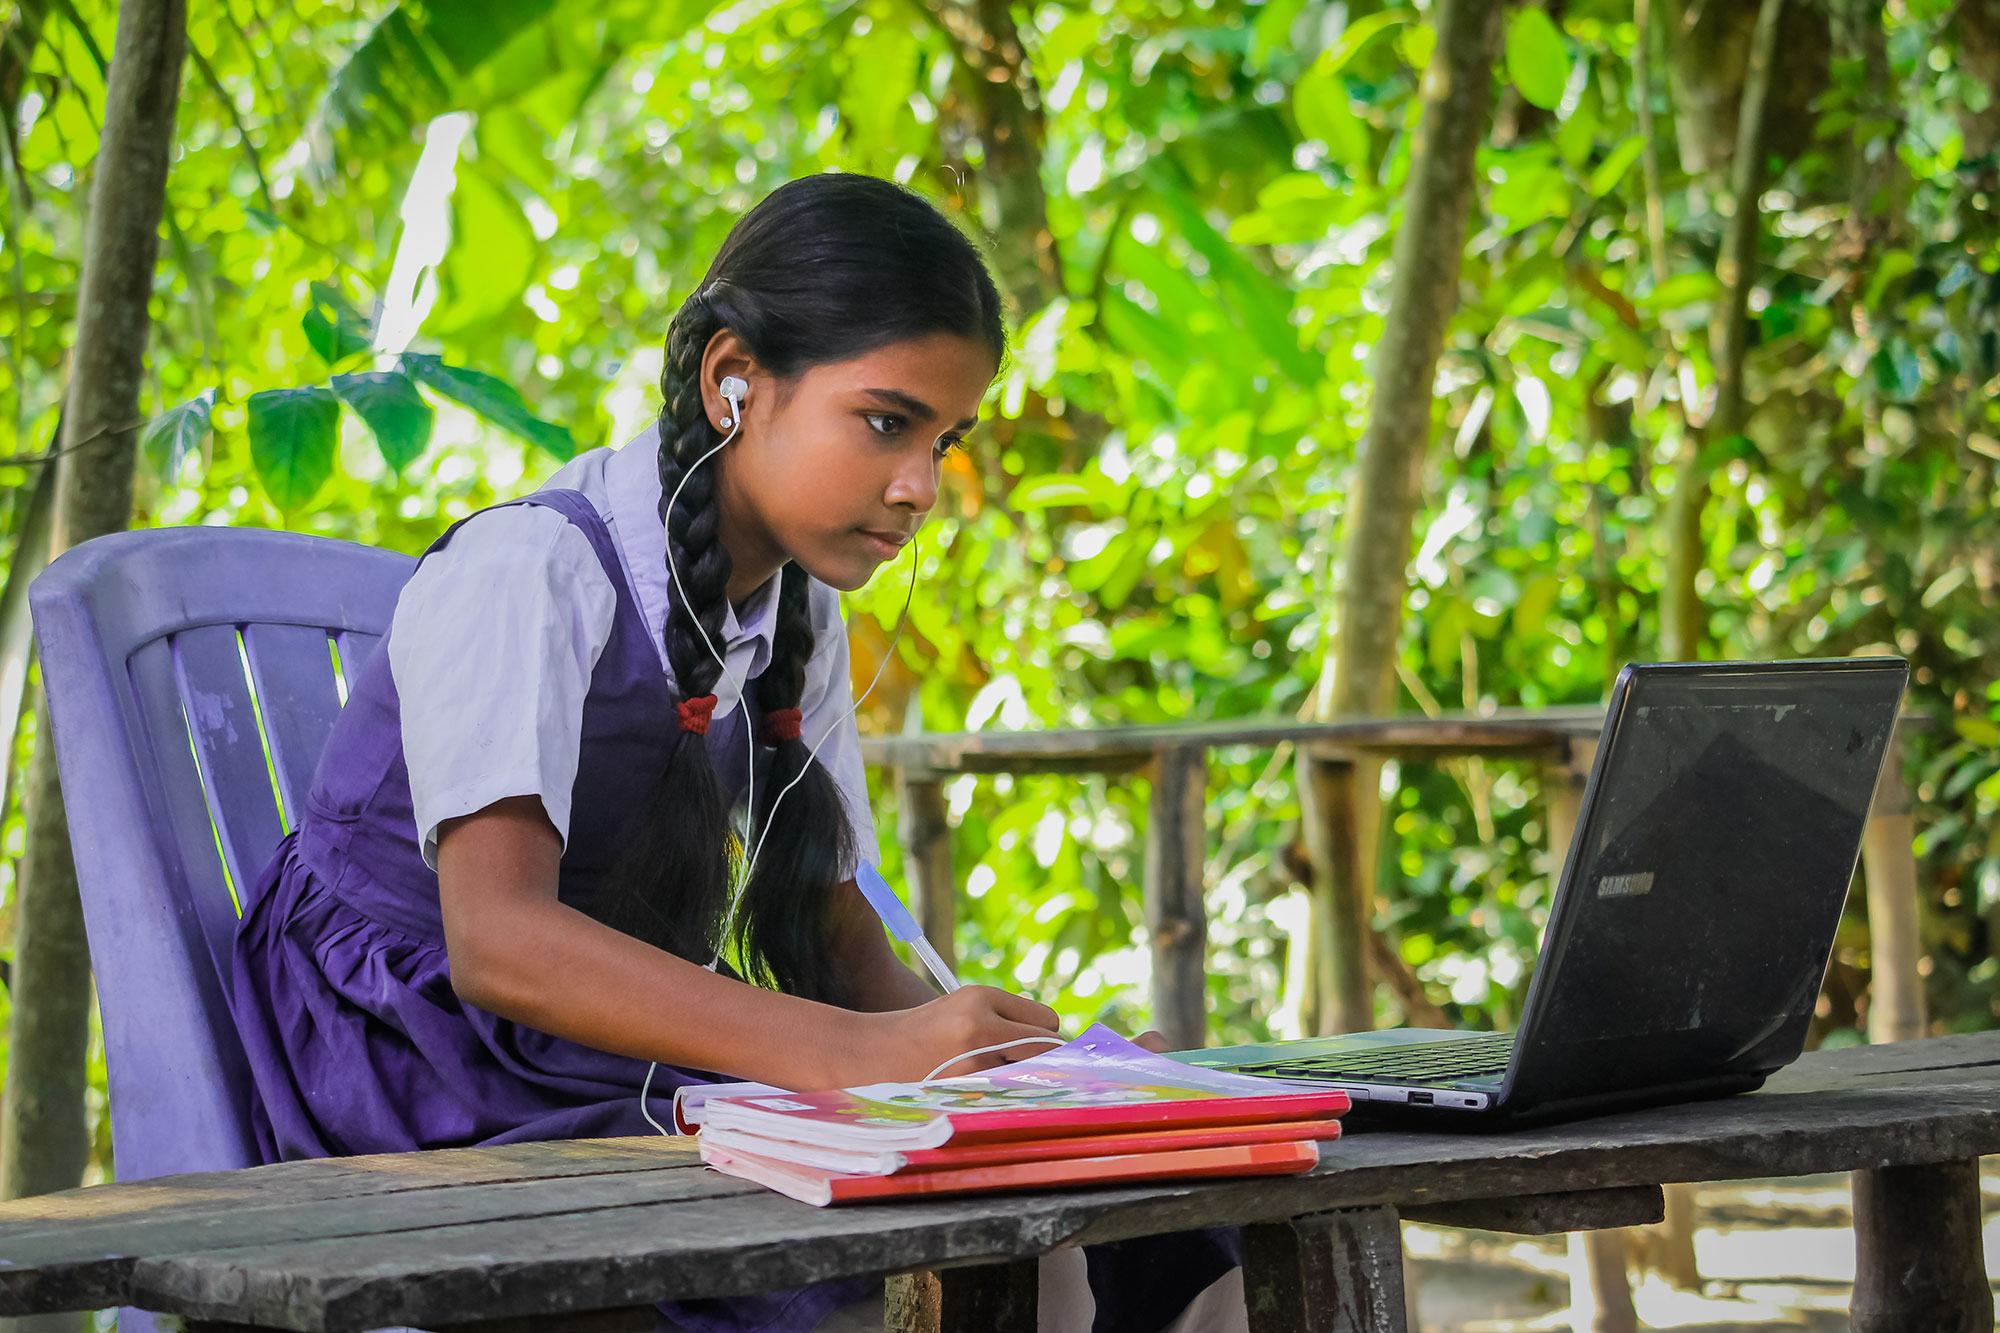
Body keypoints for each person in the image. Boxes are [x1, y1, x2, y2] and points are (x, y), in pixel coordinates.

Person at [228, 171, 1244, 1331]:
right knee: (899, 1260)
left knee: (1102, 1216)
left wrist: (1015, 1081)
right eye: (884, 421)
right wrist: (862, 1055)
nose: (918, 486)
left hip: (600, 1063)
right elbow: (498, 943)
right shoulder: (531, 572)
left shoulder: (794, 614)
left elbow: (825, 922)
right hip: (423, 1074)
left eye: (942, 439)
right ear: (733, 383)